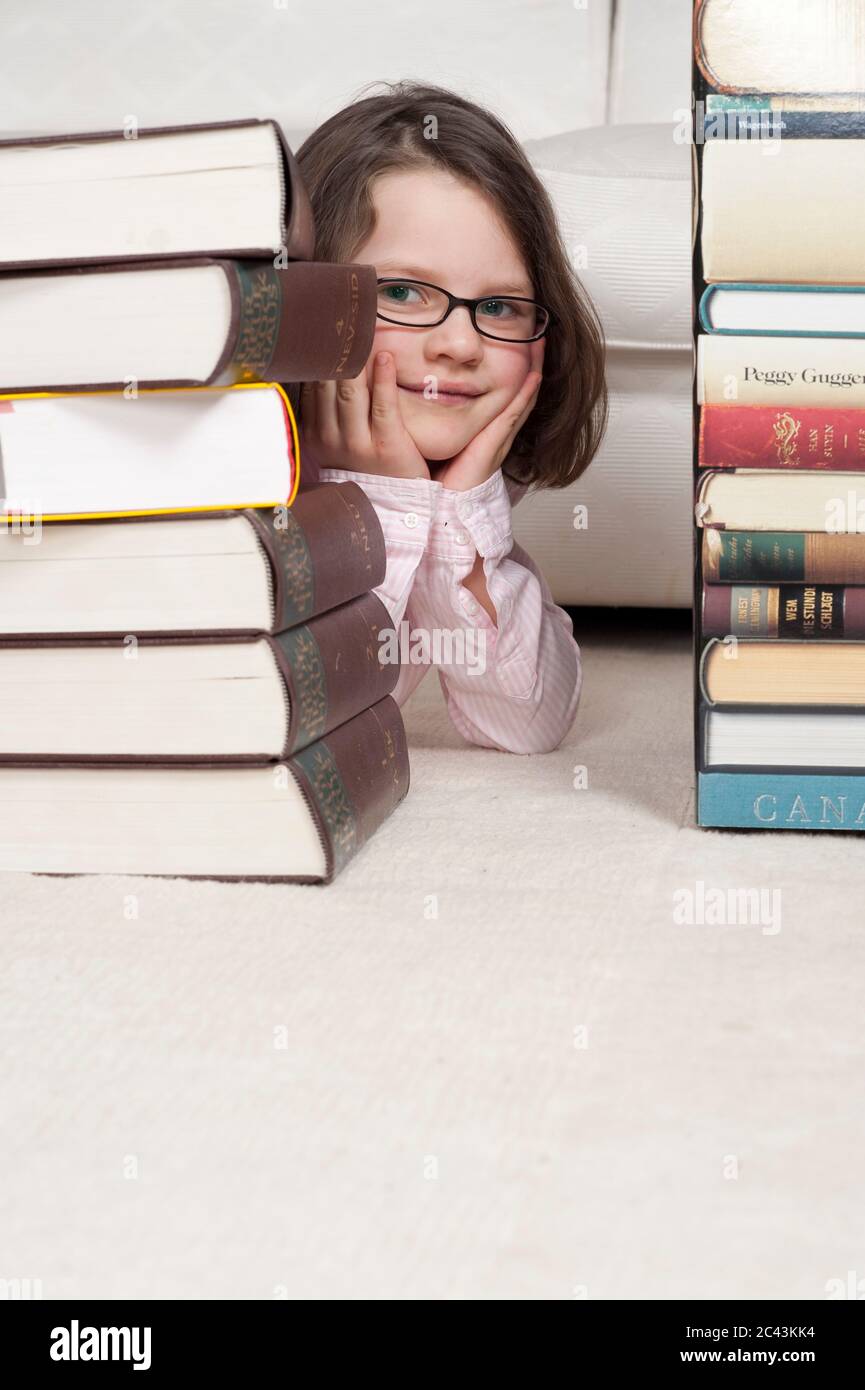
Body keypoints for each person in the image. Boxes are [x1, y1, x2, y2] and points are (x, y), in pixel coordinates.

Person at [293, 81, 607, 754]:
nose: (460, 346)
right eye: (401, 292)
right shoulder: (242, 477)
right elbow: (307, 723)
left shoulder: (453, 483)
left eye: (497, 307)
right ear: (306, 296)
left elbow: (526, 722)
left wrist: (446, 513)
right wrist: (383, 500)